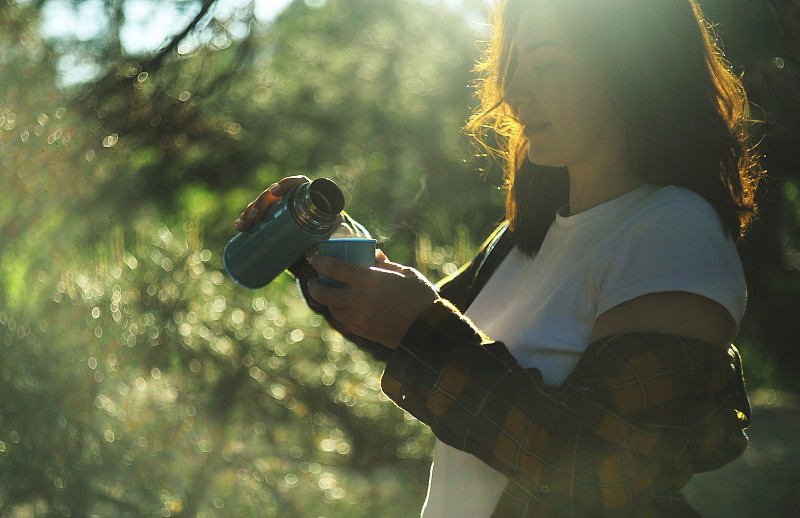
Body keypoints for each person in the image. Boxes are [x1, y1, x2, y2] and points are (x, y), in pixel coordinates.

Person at [234, 0, 762, 515]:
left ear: (632, 67)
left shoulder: (672, 231)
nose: (512, 93)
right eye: (514, 66)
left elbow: (614, 470)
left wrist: (420, 329)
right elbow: (408, 334)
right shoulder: (522, 236)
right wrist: (316, 243)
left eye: (547, 65)